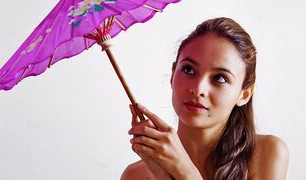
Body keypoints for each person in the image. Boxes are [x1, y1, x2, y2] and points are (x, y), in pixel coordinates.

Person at [121, 17, 289, 180]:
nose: (198, 89)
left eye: (220, 78)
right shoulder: (136, 175)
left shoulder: (267, 153)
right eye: (188, 69)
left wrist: (184, 170)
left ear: (244, 94)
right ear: (173, 75)